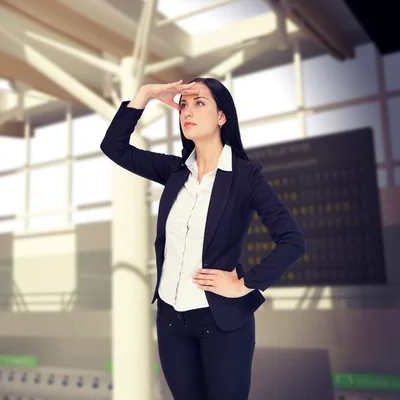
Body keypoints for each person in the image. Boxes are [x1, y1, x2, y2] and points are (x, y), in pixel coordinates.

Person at [100, 78, 306, 399]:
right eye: (184, 105)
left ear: (221, 117)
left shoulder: (245, 177)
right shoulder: (175, 171)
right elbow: (114, 147)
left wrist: (243, 284)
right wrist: (147, 94)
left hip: (220, 323)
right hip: (171, 322)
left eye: (199, 103)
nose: (187, 112)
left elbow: (292, 240)